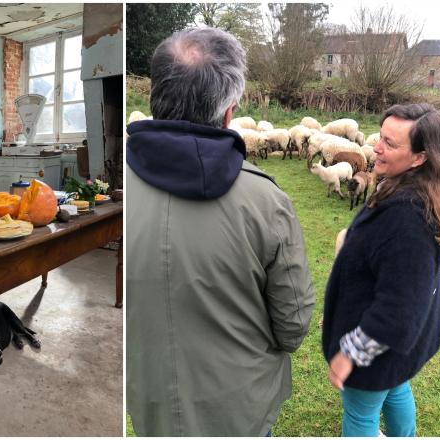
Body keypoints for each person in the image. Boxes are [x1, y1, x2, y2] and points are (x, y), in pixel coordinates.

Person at [126, 27, 315, 437]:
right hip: (239, 410)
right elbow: (293, 324)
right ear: (230, 109)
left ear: (155, 97)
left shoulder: (116, 194)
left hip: (149, 399)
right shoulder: (266, 202)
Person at [323, 103, 440, 437]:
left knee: (361, 414)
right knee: (396, 387)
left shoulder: (408, 218)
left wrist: (350, 354)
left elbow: (399, 311)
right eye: (381, 137)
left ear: (420, 157)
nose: (376, 147)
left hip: (375, 350)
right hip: (399, 352)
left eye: (391, 144)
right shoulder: (407, 186)